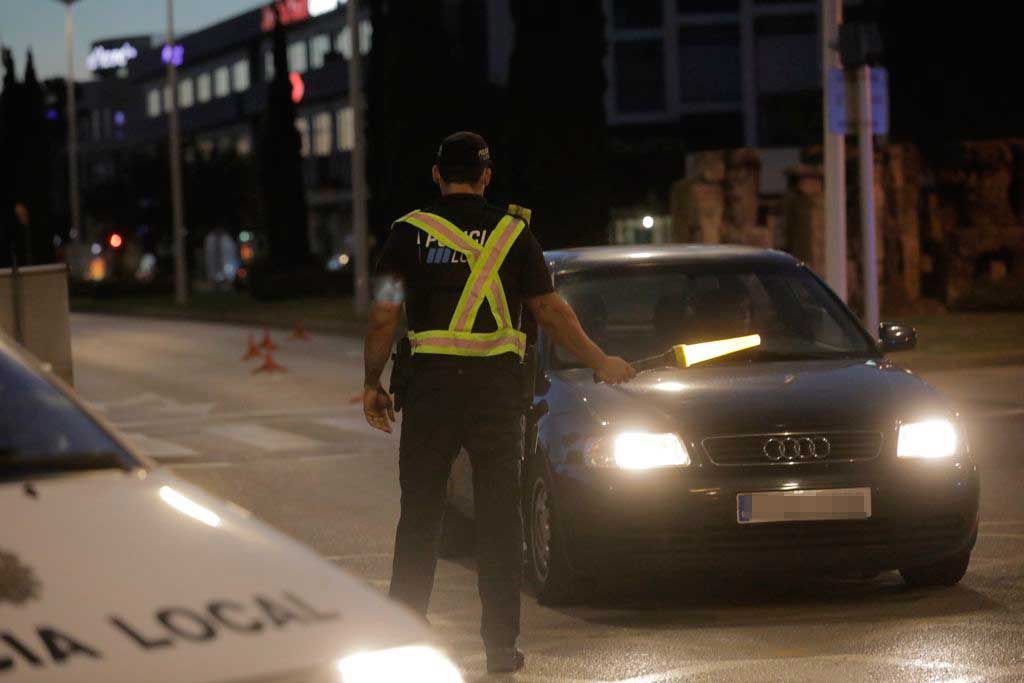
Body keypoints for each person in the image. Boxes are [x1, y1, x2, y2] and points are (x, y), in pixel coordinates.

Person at [362, 131, 635, 674]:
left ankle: (402, 642)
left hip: (431, 396)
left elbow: (383, 317)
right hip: (495, 400)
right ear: (486, 177)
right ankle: (500, 647)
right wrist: (602, 360)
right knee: (498, 523)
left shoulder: (405, 237)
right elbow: (552, 312)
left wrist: (374, 383)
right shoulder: (516, 236)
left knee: (419, 520)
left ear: (436, 175)